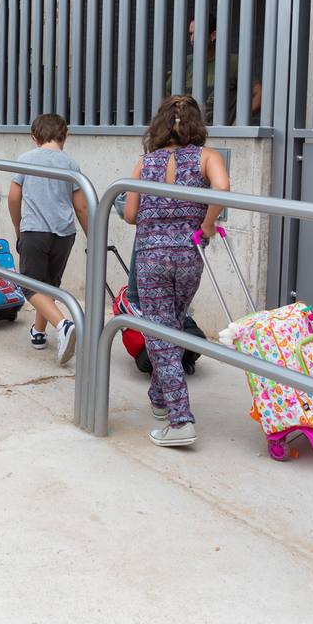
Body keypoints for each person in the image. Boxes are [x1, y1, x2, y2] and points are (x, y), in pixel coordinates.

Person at [122, 95, 229, 447]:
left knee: (161, 334)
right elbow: (222, 189)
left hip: (151, 257)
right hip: (189, 255)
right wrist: (208, 224)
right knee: (173, 327)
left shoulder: (145, 163)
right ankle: (158, 397)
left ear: (160, 124)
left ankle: (181, 420)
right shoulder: (206, 157)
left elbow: (131, 215)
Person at [7, 113, 89, 364]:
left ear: (34, 137)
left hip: (34, 230)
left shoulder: (26, 159)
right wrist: (92, 236)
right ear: (66, 135)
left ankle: (63, 325)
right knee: (49, 284)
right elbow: (82, 207)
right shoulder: (71, 165)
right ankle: (39, 332)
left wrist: (18, 227)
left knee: (30, 286)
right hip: (64, 234)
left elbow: (13, 197)